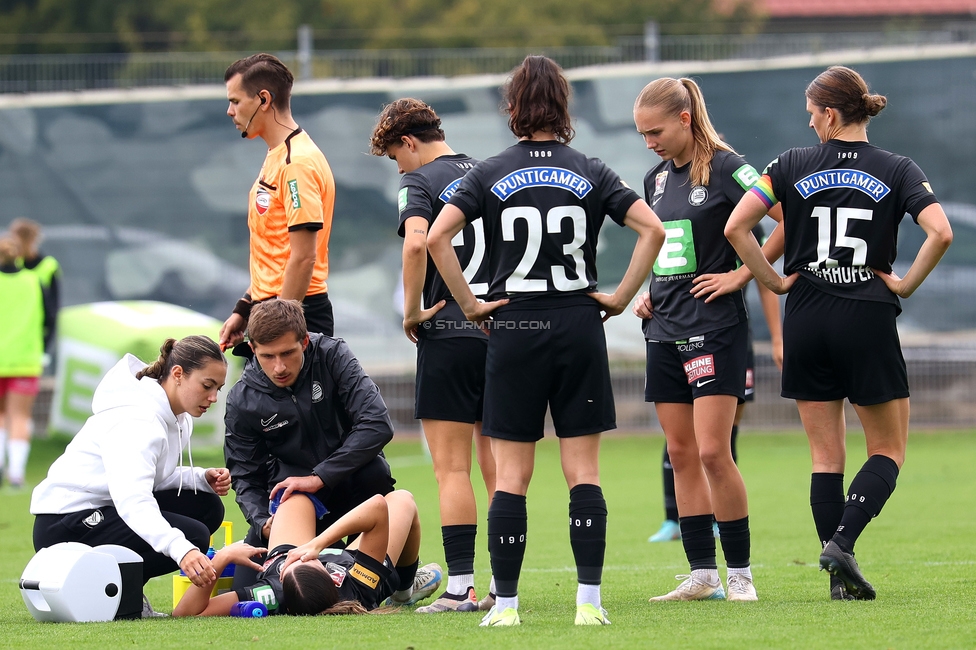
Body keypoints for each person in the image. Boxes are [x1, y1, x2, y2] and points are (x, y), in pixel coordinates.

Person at [427, 55, 665, 627]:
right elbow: (653, 228)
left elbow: (436, 238)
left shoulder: (486, 171)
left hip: (515, 326)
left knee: (511, 477)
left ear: (512, 108)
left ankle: (505, 606)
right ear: (564, 107)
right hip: (579, 325)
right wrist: (615, 297)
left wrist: (470, 305)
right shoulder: (591, 168)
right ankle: (589, 604)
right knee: (583, 473)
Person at [725, 65, 953, 600]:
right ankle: (843, 544)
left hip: (805, 318)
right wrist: (904, 285)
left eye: (812, 114)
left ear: (830, 114)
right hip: (867, 319)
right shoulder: (898, 168)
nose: (809, 124)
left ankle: (837, 583)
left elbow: (737, 226)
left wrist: (776, 284)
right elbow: (940, 232)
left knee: (825, 460)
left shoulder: (788, 164)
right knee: (889, 451)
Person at [632, 77, 785, 602]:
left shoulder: (729, 167)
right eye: (641, 134)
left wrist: (744, 276)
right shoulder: (653, 178)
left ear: (684, 119)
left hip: (714, 330)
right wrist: (648, 292)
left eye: (655, 131)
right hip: (663, 329)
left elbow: (785, 219)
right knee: (680, 452)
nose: (648, 142)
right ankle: (702, 574)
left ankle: (740, 573)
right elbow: (665, 247)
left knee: (715, 451)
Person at [369, 98, 497, 614]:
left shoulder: (419, 181)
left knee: (452, 470)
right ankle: (502, 587)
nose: (398, 169)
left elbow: (416, 244)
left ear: (409, 142)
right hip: (502, 330)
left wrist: (413, 310)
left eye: (395, 158)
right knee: (501, 472)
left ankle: (462, 587)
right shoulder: (491, 172)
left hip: (449, 328)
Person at [223, 300, 416, 597]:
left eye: (288, 353)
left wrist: (319, 477)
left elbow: (377, 424)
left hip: (353, 487)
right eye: (267, 356)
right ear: (252, 350)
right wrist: (263, 522)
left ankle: (403, 587)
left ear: (304, 341)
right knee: (258, 591)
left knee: (375, 474)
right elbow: (245, 476)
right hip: (296, 505)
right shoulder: (242, 398)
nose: (279, 366)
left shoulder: (333, 355)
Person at [30, 335, 230, 617]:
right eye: (207, 386)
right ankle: (124, 599)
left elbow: (151, 478)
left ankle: (127, 594)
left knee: (205, 506)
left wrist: (200, 478)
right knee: (193, 537)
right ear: (177, 375)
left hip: (103, 508)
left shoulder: (178, 418)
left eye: (218, 389)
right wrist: (182, 550)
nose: (213, 398)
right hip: (64, 525)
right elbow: (133, 500)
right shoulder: (139, 421)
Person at [646, 223, 783, 544]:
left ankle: (723, 520)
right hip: (671, 332)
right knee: (680, 439)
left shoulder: (743, 219)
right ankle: (673, 519)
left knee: (719, 437)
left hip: (726, 334)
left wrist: (778, 337)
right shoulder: (661, 189)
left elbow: (764, 277)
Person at [219, 53, 336, 351]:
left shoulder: (296, 163)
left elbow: (303, 257)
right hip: (273, 311)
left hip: (293, 317)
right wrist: (245, 308)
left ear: (263, 99)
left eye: (235, 101)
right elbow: (276, 251)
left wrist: (280, 331)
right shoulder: (278, 154)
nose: (230, 111)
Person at [173, 490, 439, 616]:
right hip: (358, 564)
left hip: (289, 559)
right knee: (404, 500)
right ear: (330, 576)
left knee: (295, 497)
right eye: (311, 561)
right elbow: (378, 507)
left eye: (290, 563)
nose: (301, 555)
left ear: (279, 577)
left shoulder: (271, 596)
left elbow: (185, 614)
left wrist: (222, 558)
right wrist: (318, 544)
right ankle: (404, 591)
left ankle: (266, 530)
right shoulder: (357, 584)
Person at [0, 235, 48, 489]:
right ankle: (16, 473)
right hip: (25, 359)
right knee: (19, 416)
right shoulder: (34, 281)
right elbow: (49, 319)